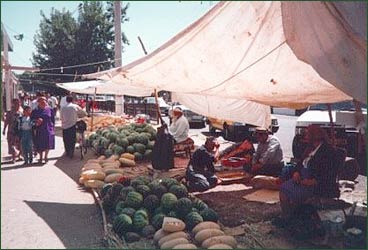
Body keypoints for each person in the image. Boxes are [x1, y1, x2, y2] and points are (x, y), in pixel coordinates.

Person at [279, 125, 340, 219]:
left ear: (314, 136)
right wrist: (296, 172)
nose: (305, 136)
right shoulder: (310, 148)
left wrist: (311, 181)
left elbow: (328, 174)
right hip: (301, 179)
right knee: (283, 188)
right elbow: (300, 164)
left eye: (307, 134)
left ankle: (293, 216)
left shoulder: (328, 151)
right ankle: (288, 215)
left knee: (292, 193)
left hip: (316, 185)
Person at [31, 96, 55, 163]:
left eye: (45, 101)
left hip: (48, 128)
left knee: (48, 142)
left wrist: (53, 128)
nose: (44, 102)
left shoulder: (50, 109)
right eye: (42, 101)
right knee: (40, 143)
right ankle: (41, 157)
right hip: (39, 129)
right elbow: (31, 121)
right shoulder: (35, 111)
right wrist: (36, 121)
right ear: (38, 102)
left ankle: (46, 156)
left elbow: (52, 119)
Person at [2, 99, 23, 163]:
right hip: (12, 130)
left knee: (20, 144)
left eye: (18, 103)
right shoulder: (10, 112)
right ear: (13, 104)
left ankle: (19, 156)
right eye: (16, 103)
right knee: (12, 144)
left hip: (20, 130)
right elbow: (6, 121)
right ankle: (13, 158)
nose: (17, 104)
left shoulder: (21, 111)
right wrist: (4, 129)